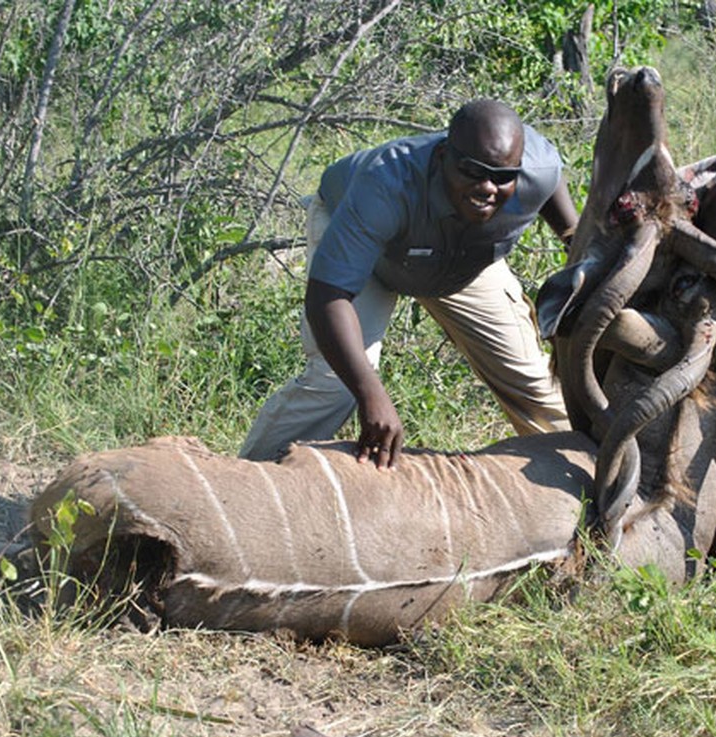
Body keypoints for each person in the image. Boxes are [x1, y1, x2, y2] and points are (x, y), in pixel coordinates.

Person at [239, 99, 578, 468]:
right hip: (377, 257)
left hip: (463, 258)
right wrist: (371, 393)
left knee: (536, 384)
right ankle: (250, 481)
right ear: (443, 155)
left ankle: (584, 487)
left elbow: (559, 199)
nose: (487, 188)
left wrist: (575, 240)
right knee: (334, 386)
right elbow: (328, 295)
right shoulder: (385, 185)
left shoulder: (536, 168)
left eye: (501, 177)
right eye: (472, 171)